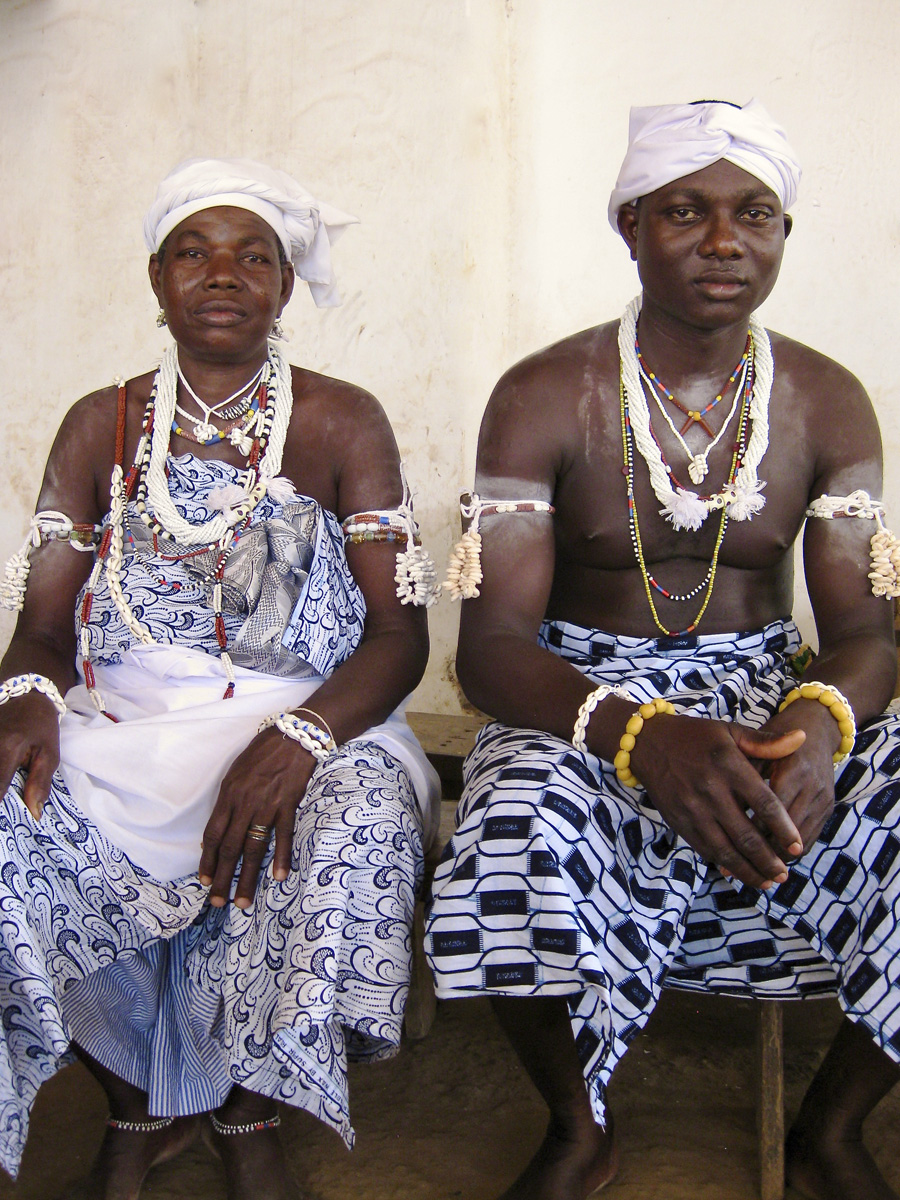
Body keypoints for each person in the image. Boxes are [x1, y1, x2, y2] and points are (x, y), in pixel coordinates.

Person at [426, 100, 900, 1200]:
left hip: (776, 691)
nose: (725, 241)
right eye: (686, 211)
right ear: (630, 224)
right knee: (508, 825)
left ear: (784, 236)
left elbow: (870, 635)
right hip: (579, 697)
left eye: (756, 215)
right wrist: (641, 735)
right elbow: (492, 649)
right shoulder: (543, 394)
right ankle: (579, 1124)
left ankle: (834, 1130)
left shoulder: (827, 402)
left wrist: (819, 729)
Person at [0, 157, 440, 1200]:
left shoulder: (341, 421)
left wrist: (303, 739)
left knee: (358, 823)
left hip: (314, 713)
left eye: (254, 256)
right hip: (128, 717)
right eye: (195, 252)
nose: (223, 275)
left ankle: (247, 1113)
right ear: (157, 279)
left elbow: (399, 636)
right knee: (8, 816)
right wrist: (22, 695)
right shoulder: (99, 424)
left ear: (286, 285)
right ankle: (133, 1103)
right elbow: (43, 629)